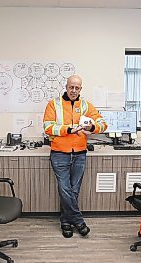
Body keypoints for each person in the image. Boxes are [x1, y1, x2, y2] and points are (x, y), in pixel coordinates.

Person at [43, 75, 108, 238]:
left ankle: (66, 221)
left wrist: (92, 127)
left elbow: (103, 124)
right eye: (71, 87)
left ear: (80, 89)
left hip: (79, 153)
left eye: (77, 88)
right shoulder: (54, 104)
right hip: (59, 153)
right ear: (66, 87)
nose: (73, 90)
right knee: (65, 188)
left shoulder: (86, 105)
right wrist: (69, 129)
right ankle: (79, 221)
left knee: (74, 190)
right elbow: (48, 127)